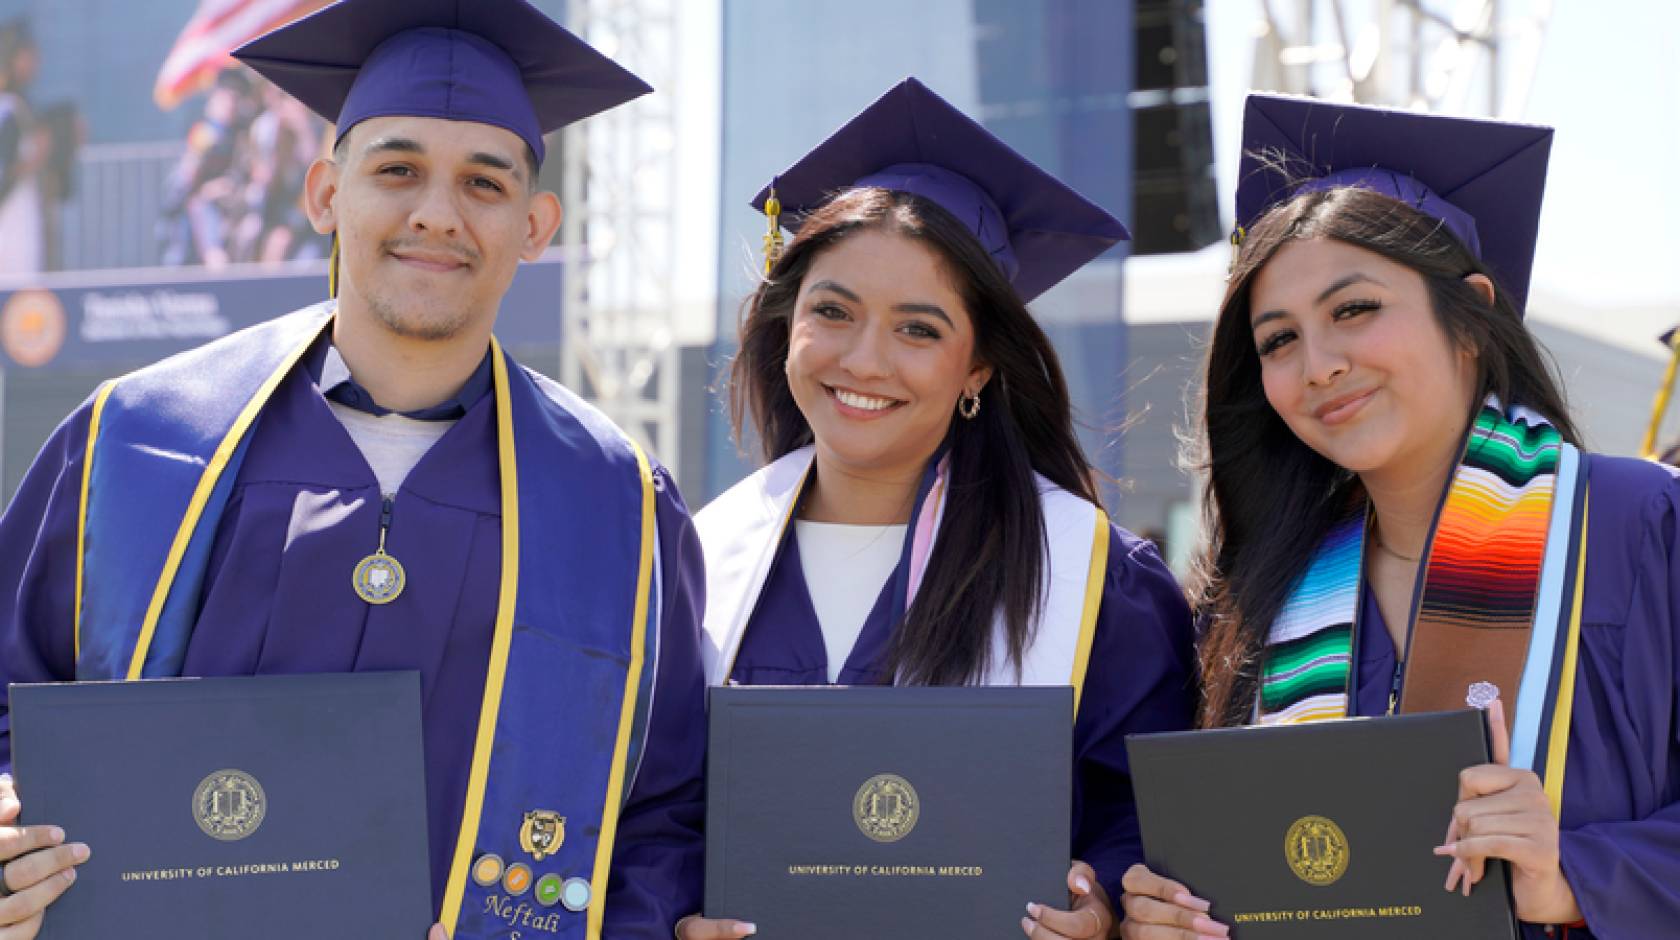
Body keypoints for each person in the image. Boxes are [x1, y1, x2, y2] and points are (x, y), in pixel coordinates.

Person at [0, 1, 708, 937]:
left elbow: (665, 809)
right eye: (397, 170)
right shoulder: (134, 443)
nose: (435, 213)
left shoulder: (617, 505)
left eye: (484, 184)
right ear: (326, 195)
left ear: (535, 225)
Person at [1120, 93, 1680, 940]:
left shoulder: (1638, 526)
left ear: (1470, 317)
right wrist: (1163, 914)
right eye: (1278, 341)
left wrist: (1578, 876)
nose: (1319, 366)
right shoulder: (1257, 596)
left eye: (1354, 310)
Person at [678, 78, 1197, 940]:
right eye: (832, 312)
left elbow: (1139, 825)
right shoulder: (701, 556)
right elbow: (657, 815)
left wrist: (1102, 909)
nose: (864, 360)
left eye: (918, 329)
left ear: (979, 371)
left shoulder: (1094, 578)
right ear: (786, 326)